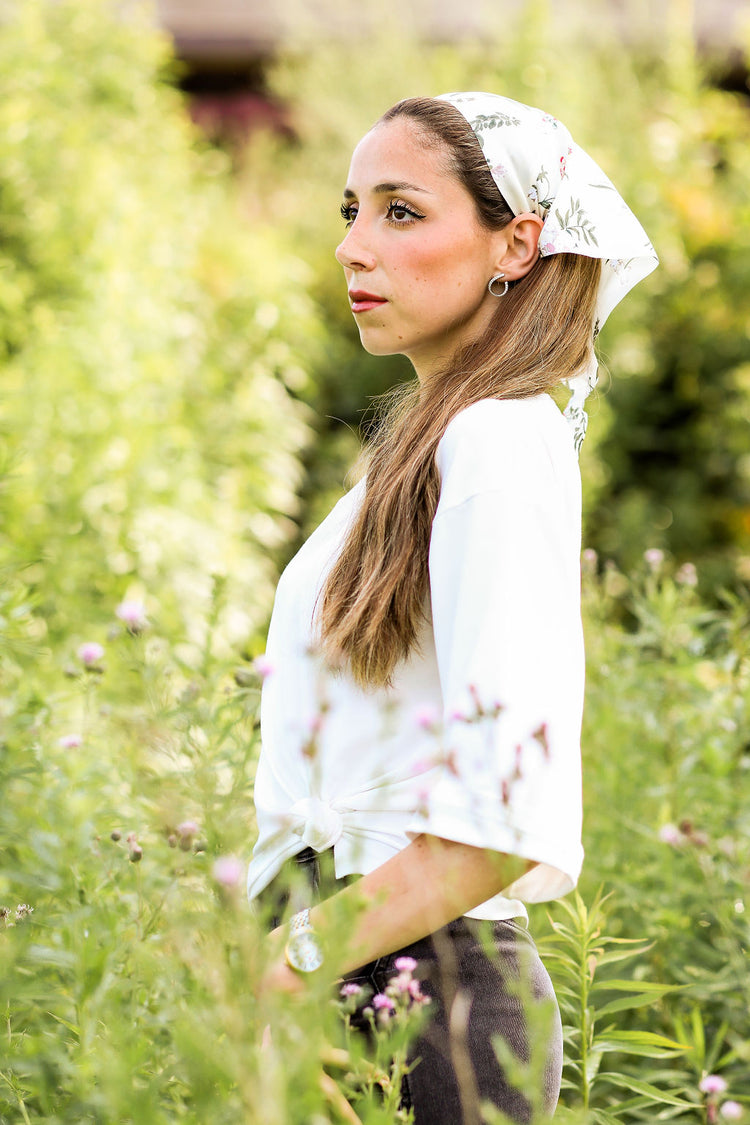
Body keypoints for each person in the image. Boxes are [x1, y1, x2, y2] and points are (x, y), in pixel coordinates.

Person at [247, 92, 657, 1123]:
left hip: (426, 1006)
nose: (352, 249)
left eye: (399, 212)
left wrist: (294, 966)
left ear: (517, 242)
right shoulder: (431, 450)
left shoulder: (498, 445)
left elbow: (503, 816)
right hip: (361, 975)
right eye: (350, 211)